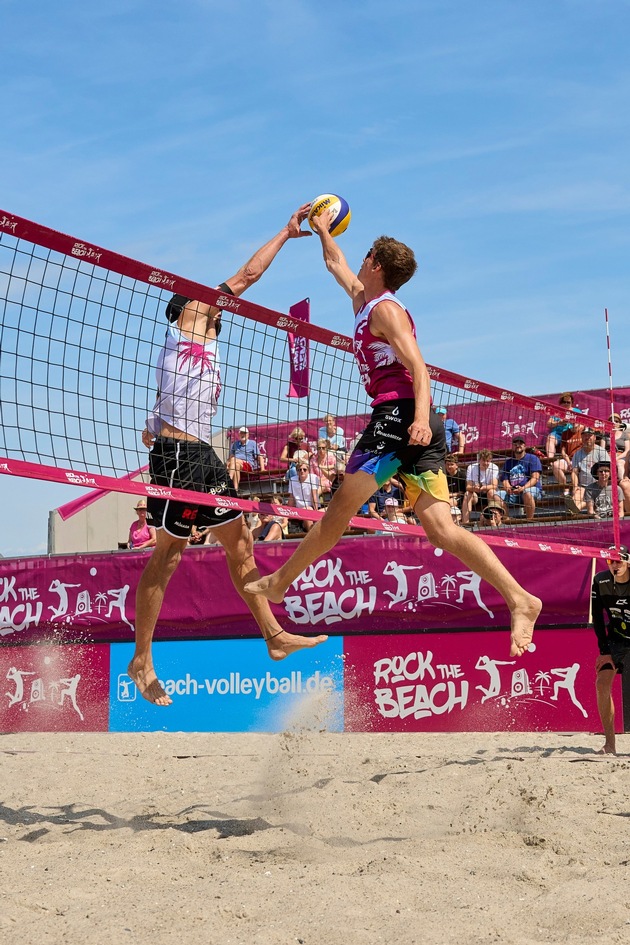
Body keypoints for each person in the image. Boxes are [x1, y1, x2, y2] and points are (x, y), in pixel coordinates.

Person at [245, 213, 541, 656]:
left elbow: (420, 369)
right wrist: (321, 230)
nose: (357, 259)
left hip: (400, 419)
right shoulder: (365, 300)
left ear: (377, 263)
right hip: (405, 422)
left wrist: (419, 419)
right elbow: (335, 264)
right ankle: (521, 599)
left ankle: (280, 583)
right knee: (440, 529)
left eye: (366, 254)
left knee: (338, 510)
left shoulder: (385, 310)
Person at [128, 205, 328, 705]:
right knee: (169, 556)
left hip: (199, 457)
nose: (214, 307)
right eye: (203, 304)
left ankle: (274, 636)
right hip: (180, 458)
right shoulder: (186, 326)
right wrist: (286, 232)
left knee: (240, 545)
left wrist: (157, 429)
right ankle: (141, 659)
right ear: (187, 312)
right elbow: (247, 275)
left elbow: (152, 426)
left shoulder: (203, 352)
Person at [591, 545, 630, 754]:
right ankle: (610, 744)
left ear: (628, 561)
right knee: (602, 683)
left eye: (619, 561)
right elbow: (597, 618)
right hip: (617, 638)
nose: (615, 565)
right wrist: (604, 649)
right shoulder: (600, 581)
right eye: (611, 561)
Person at [498, 436, 543, 522]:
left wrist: (523, 488)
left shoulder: (532, 458)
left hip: (531, 490)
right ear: (512, 447)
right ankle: (506, 520)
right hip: (514, 493)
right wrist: (508, 488)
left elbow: (535, 478)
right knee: (496, 495)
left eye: (520, 443)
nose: (518, 445)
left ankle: (529, 521)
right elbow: (505, 480)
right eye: (515, 444)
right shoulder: (508, 462)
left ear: (525, 446)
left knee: (527, 492)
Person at [569, 428, 610, 511]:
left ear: (594, 437)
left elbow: (606, 470)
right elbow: (574, 472)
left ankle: (576, 509)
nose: (587, 437)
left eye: (589, 435)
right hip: (583, 486)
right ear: (581, 438)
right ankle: (573, 511)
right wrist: (575, 486)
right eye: (584, 436)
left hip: (598, 485)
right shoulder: (577, 454)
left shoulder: (601, 452)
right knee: (575, 497)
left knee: (590, 497)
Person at [461, 450, 500, 525]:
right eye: (484, 461)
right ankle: (465, 523)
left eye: (488, 461)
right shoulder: (471, 467)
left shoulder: (494, 467)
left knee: (491, 492)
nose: (486, 463)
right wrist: (475, 488)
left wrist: (484, 487)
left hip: (488, 493)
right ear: (479, 460)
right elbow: (468, 487)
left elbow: (494, 486)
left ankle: (494, 521)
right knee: (467, 494)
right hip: (476, 495)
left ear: (491, 460)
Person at [227, 426, 266, 491]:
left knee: (234, 460)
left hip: (248, 465)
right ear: (239, 434)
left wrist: (263, 469)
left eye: (244, 433)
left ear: (248, 435)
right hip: (236, 464)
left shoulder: (252, 443)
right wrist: (228, 464)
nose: (243, 435)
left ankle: (228, 481)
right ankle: (235, 489)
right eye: (241, 433)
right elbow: (230, 457)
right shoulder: (235, 444)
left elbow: (259, 456)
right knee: (236, 465)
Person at [545, 392, 582, 460]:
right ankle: (550, 460)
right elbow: (548, 424)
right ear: (561, 402)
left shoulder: (576, 411)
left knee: (576, 428)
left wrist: (571, 422)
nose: (566, 404)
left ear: (572, 402)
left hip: (571, 434)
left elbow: (581, 423)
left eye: (568, 402)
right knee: (550, 438)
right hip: (558, 435)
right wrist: (559, 423)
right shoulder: (556, 411)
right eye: (564, 402)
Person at [287, 462, 320, 531]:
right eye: (300, 470)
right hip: (298, 510)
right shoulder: (292, 480)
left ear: (308, 471)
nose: (302, 471)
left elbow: (314, 496)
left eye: (304, 469)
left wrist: (316, 511)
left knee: (307, 510)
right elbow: (291, 498)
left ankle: (311, 534)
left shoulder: (313, 478)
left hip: (311, 508)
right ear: (297, 471)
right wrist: (288, 512)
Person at [445, 453, 466, 523]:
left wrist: (450, 495)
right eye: (447, 464)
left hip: (462, 498)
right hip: (449, 497)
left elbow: (462, 492)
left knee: (450, 502)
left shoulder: (462, 475)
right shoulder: (444, 476)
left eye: (451, 464)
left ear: (456, 465)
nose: (449, 467)